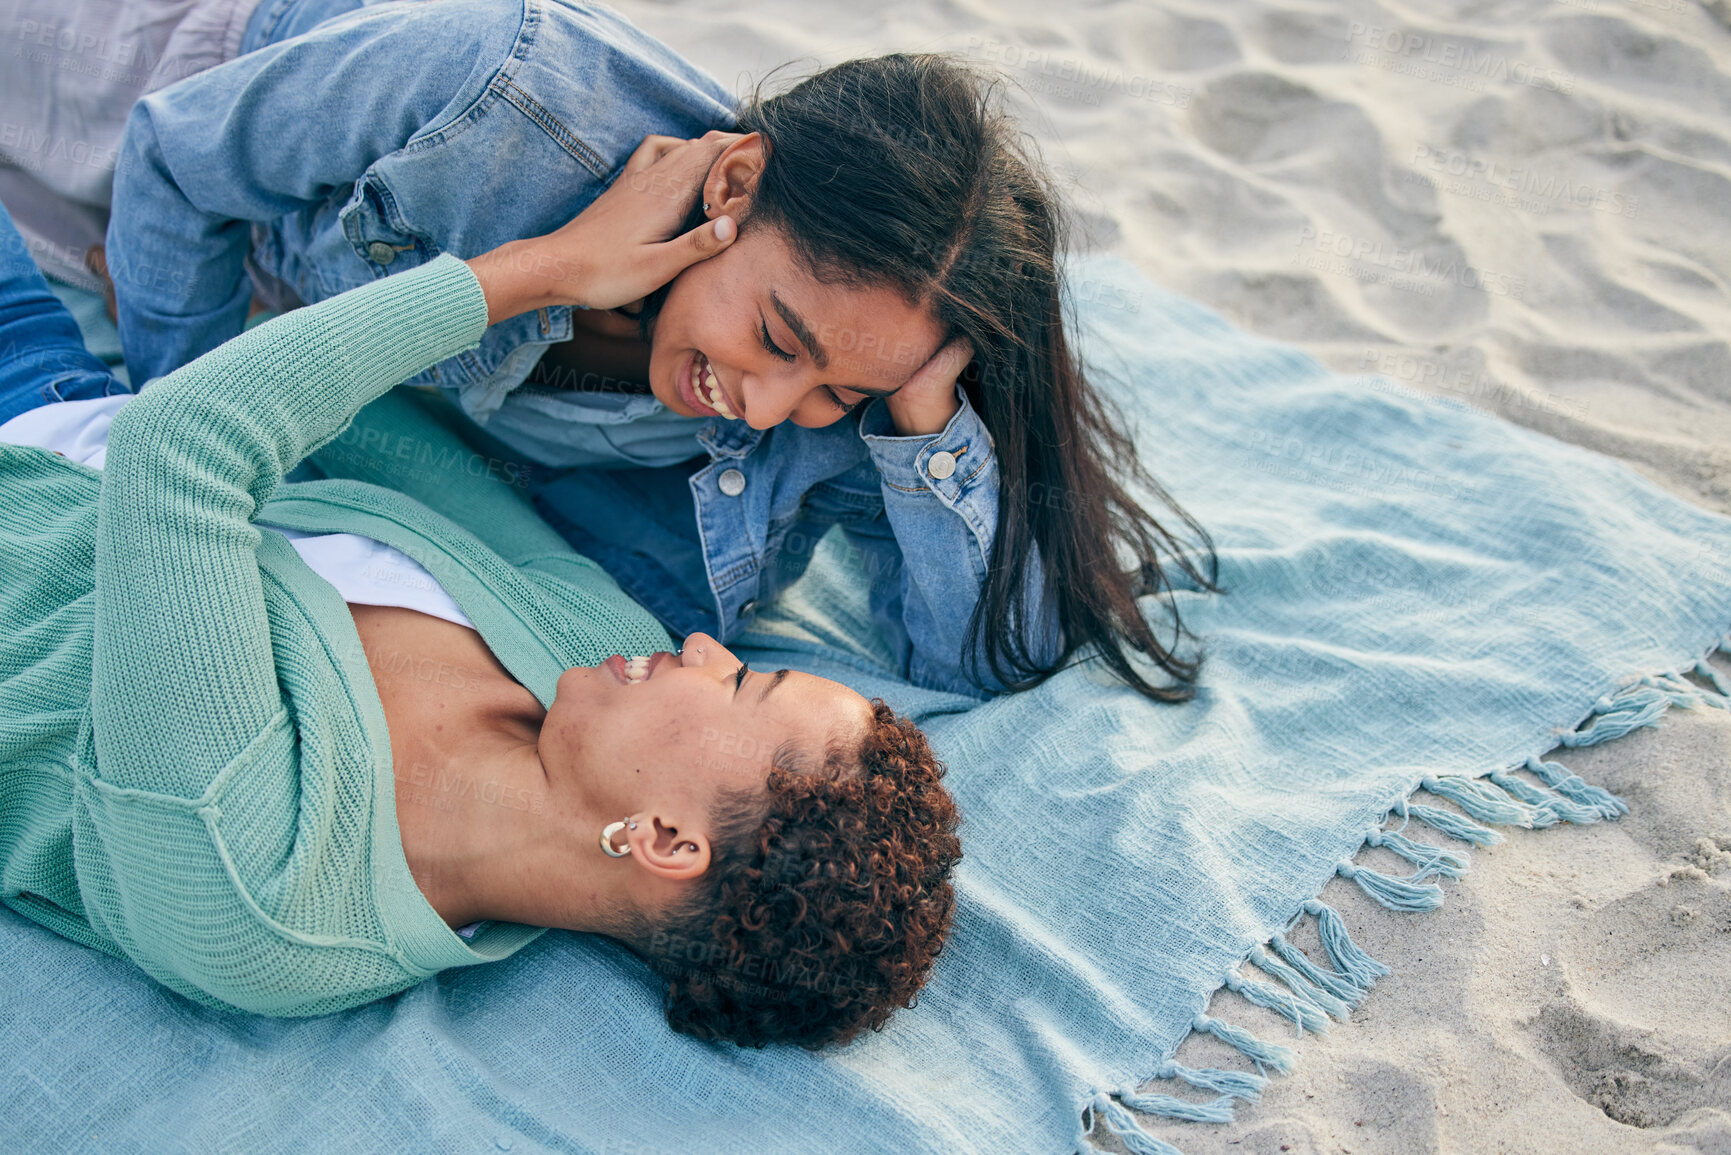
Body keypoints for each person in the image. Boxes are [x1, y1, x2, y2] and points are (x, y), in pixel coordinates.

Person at [0, 136, 961, 1049]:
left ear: (668, 840)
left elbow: (177, 449)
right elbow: (382, 436)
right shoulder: (592, 646)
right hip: (53, 384)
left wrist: (551, 268)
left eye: (742, 687)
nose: (708, 649)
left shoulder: (261, 882)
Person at [96, 0, 1222, 702]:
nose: (771, 409)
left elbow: (978, 657)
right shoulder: (510, 94)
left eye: (838, 386)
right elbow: (178, 160)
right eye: (779, 338)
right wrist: (166, 440)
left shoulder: (846, 416)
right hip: (150, 67)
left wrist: (922, 418)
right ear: (733, 183)